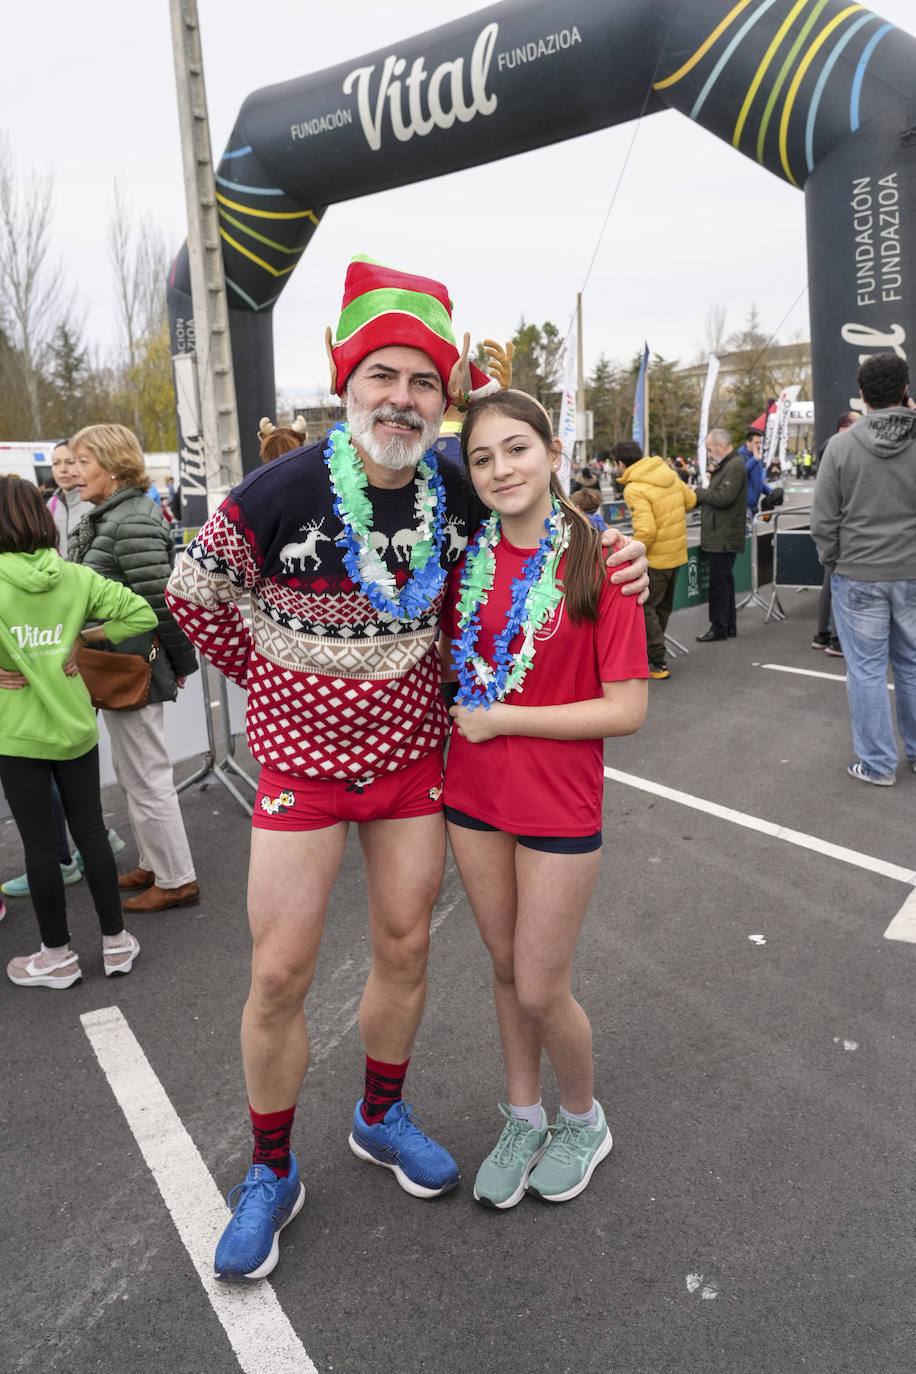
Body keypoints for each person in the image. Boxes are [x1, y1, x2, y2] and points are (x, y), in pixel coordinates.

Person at [164, 255, 650, 1282]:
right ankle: (270, 1171)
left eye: (422, 381)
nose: (401, 397)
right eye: (382, 376)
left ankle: (379, 1115)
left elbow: (537, 528)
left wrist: (621, 550)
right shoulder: (278, 489)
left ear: (441, 400)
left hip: (411, 772)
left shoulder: (455, 487)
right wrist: (282, 683)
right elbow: (192, 595)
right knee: (280, 971)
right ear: (347, 385)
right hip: (299, 771)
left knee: (403, 949)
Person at [436, 390, 647, 1208]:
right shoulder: (463, 559)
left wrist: (503, 720)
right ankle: (523, 1115)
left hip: (559, 805)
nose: (501, 469)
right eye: (483, 459)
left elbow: (626, 709)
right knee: (500, 966)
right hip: (473, 797)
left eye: (517, 449)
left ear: (554, 452)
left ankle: (582, 1118)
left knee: (539, 985)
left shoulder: (602, 559)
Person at [0, 476, 157, 987]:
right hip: (75, 727)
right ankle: (115, 944)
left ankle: (57, 956)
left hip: (17, 734)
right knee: (91, 833)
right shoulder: (73, 576)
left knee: (40, 846)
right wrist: (85, 639)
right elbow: (140, 610)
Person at [69, 424, 201, 909]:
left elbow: (161, 603)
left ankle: (176, 879)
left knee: (147, 775)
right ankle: (155, 863)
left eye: (84, 462)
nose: (73, 472)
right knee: (135, 772)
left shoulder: (129, 521)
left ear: (114, 466)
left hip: (134, 668)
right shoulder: (114, 516)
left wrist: (181, 662)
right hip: (121, 665)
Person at [810, 352, 916, 785]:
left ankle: (876, 764)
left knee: (867, 671)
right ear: (905, 391)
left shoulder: (841, 445)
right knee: (911, 666)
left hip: (857, 574)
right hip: (910, 572)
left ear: (863, 397)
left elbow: (823, 521)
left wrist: (834, 563)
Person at [612, 438, 697, 679]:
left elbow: (646, 531)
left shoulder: (634, 487)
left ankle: (656, 661)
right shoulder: (666, 472)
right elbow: (690, 501)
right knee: (662, 609)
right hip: (677, 553)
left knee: (647, 609)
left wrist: (628, 552)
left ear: (620, 463)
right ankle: (656, 657)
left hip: (656, 559)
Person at [811, 411, 858, 657]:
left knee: (830, 585)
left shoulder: (830, 447)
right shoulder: (838, 447)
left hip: (835, 532)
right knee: (837, 587)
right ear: (846, 426)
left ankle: (823, 634)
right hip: (840, 533)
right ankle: (836, 639)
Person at [694, 429, 747, 642]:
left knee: (719, 584)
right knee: (724, 582)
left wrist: (698, 492)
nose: (708, 453)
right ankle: (727, 624)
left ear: (722, 446)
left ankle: (719, 627)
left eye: (709, 449)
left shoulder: (734, 466)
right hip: (721, 533)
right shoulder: (729, 464)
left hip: (722, 535)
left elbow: (724, 498)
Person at [738, 429, 770, 524]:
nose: (759, 445)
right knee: (746, 536)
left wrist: (770, 492)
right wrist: (754, 459)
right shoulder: (740, 456)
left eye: (760, 442)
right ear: (748, 442)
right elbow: (740, 474)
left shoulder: (755, 457)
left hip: (754, 505)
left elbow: (757, 480)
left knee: (752, 535)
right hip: (743, 505)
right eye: (756, 442)